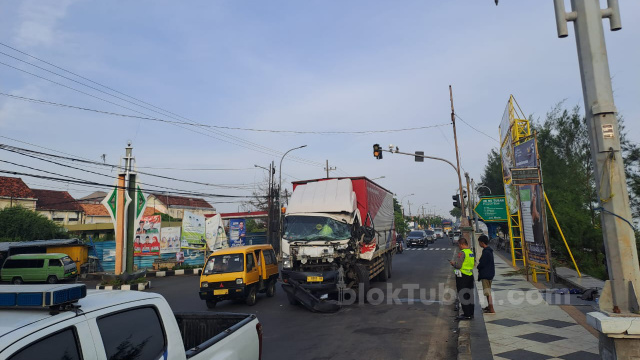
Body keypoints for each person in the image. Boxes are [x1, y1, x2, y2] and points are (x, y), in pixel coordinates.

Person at [450, 237, 475, 320]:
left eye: (459, 245)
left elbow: (458, 265)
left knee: (463, 294)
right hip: (470, 275)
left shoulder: (462, 253)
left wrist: (453, 263)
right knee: (469, 294)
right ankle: (471, 312)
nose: (459, 246)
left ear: (461, 244)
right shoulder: (470, 252)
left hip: (462, 276)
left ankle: (466, 314)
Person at [477, 235, 496, 314]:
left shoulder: (486, 252)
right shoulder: (489, 251)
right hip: (490, 273)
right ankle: (489, 307)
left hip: (486, 274)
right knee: (488, 291)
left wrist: (478, 266)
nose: (479, 244)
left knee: (487, 292)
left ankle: (491, 308)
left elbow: (482, 263)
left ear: (482, 242)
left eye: (479, 242)